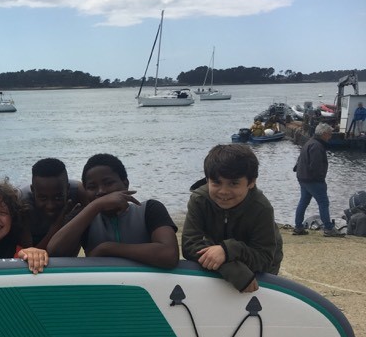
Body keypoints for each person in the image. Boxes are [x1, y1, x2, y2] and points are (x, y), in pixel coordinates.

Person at [46, 153, 178, 269]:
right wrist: (96, 206)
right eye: (92, 187)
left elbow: (169, 255)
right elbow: (54, 252)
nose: (101, 191)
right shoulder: (85, 218)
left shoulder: (149, 209)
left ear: (125, 183)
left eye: (108, 183)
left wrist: (108, 248)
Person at [182, 144, 283, 293]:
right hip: (219, 256)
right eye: (216, 182)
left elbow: (264, 258)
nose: (223, 191)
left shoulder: (262, 208)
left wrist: (229, 250)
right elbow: (189, 245)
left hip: (262, 265)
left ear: (251, 182)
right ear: (208, 180)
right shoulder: (199, 200)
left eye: (234, 183)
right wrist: (229, 265)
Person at [19, 158, 84, 249]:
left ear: (68, 189)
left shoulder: (79, 192)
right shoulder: (22, 204)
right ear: (33, 191)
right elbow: (29, 253)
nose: (50, 206)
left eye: (58, 198)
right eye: (43, 198)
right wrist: (58, 224)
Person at [293, 123, 344, 237]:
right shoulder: (317, 146)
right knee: (323, 202)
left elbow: (300, 160)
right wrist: (321, 179)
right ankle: (328, 228)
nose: (330, 136)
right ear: (324, 134)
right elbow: (315, 165)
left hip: (303, 177)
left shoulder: (309, 142)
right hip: (313, 180)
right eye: (329, 134)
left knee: (303, 202)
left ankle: (298, 227)